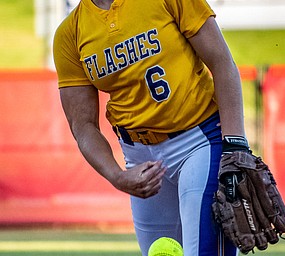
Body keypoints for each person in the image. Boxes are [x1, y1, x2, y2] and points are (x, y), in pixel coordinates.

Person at [53, 0, 248, 255]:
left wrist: (235, 145)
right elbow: (83, 125)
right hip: (139, 156)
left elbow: (222, 63)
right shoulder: (70, 32)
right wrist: (117, 176)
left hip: (198, 139)